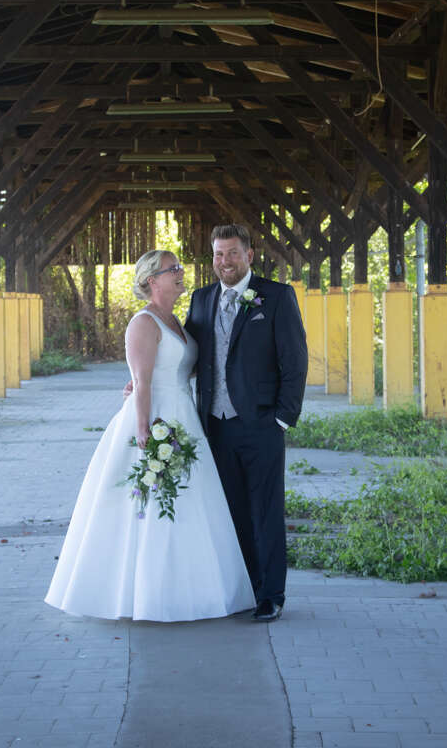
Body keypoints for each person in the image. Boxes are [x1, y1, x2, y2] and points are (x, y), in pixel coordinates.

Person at [45, 249, 254, 622]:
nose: (180, 272)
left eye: (179, 267)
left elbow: (177, 367)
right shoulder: (143, 322)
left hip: (184, 416)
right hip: (157, 420)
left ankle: (195, 588)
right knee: (153, 505)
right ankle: (148, 594)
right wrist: (144, 431)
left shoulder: (175, 320)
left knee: (191, 503)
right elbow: (142, 381)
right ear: (151, 281)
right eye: (171, 269)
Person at [184, 224, 308, 622]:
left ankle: (271, 595)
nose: (225, 262)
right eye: (219, 255)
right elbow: (185, 352)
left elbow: (295, 362)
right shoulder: (201, 299)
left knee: (266, 511)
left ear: (249, 255)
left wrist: (283, 419)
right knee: (231, 511)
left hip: (261, 424)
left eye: (233, 253)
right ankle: (243, 589)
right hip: (215, 426)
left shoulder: (275, 296)